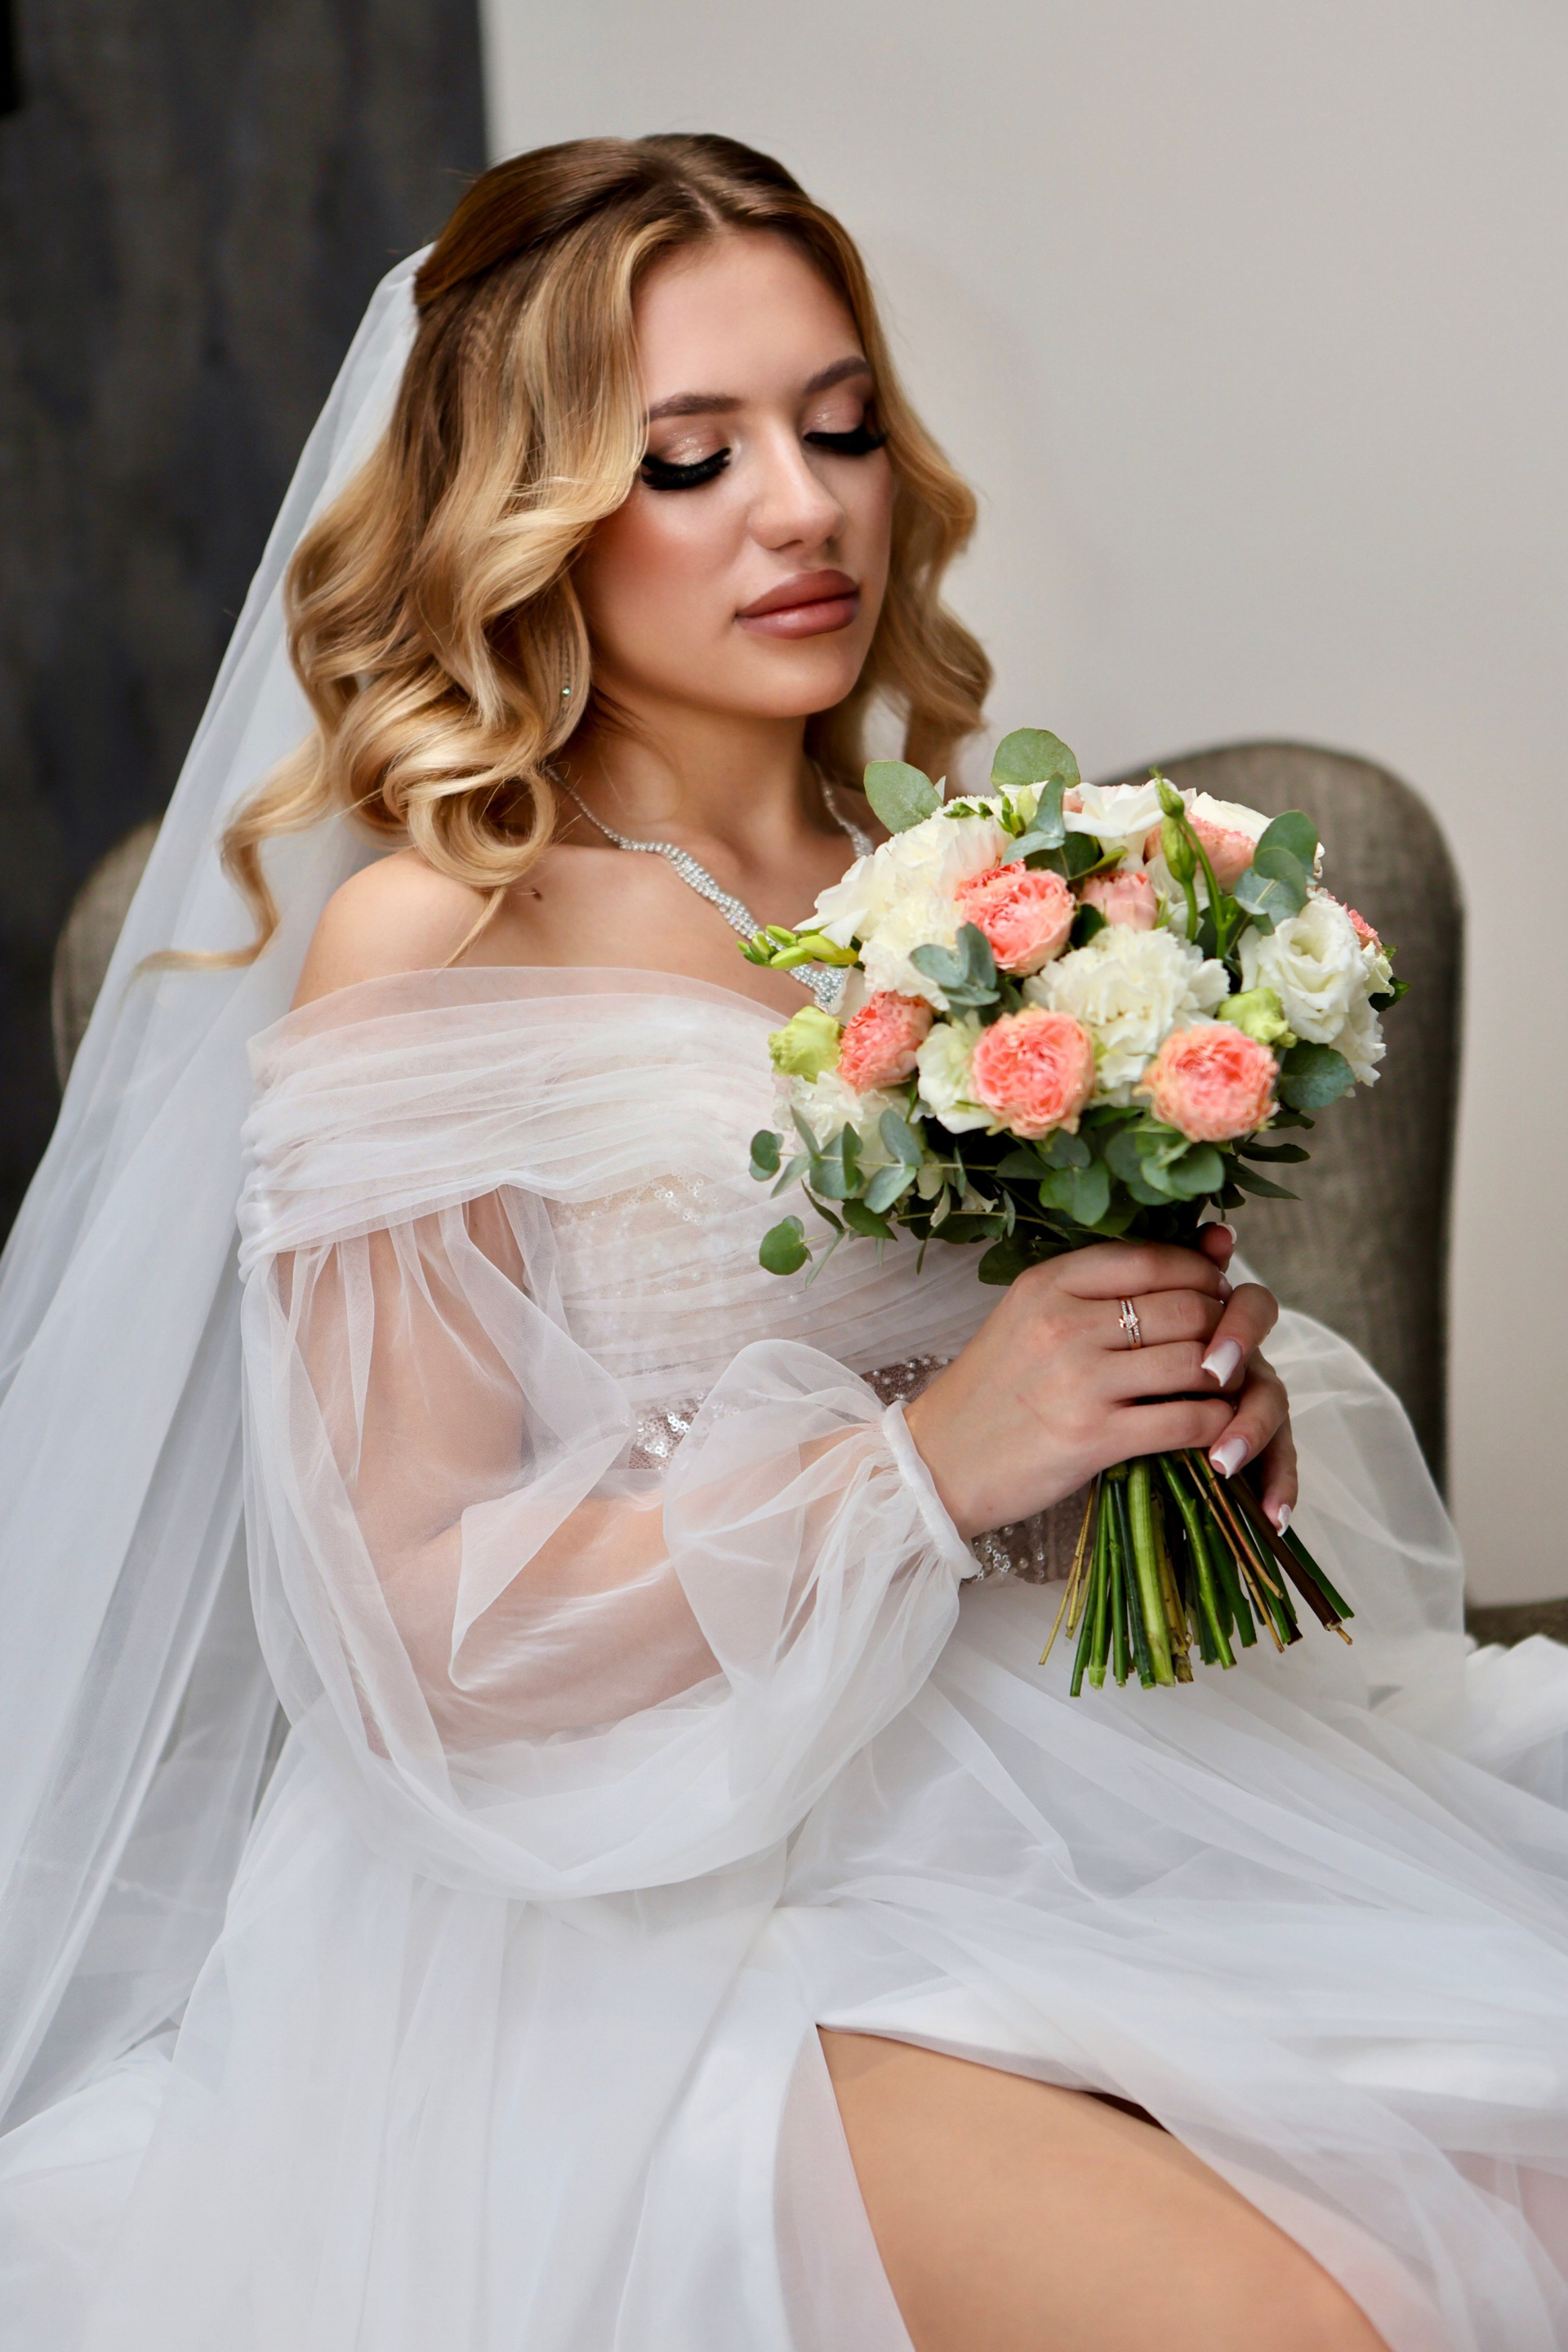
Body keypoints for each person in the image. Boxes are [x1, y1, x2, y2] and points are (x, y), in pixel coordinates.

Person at [0, 135, 1564, 2352]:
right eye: (690, 457)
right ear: (536, 506)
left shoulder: (983, 896)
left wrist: (1155, 1424)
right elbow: (423, 1634)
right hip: (665, 1883)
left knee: (1520, 2196)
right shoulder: (438, 937)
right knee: (1288, 2320)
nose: (802, 508)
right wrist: (928, 1465)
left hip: (1084, 1772)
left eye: (838, 428)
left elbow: (1016, 1426)